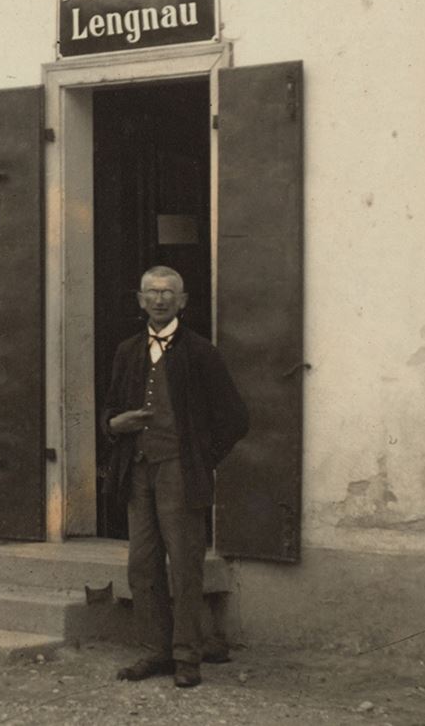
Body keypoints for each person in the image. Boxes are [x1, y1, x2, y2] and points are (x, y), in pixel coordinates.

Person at [101, 265, 248, 689]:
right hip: (138, 472)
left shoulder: (201, 352)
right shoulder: (127, 351)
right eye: (152, 291)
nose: (159, 299)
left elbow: (236, 418)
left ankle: (186, 655)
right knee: (142, 565)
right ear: (140, 299)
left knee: (184, 565)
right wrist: (114, 425)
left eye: (168, 292)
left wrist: (200, 459)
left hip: (180, 473)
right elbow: (110, 409)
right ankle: (156, 651)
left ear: (182, 301)